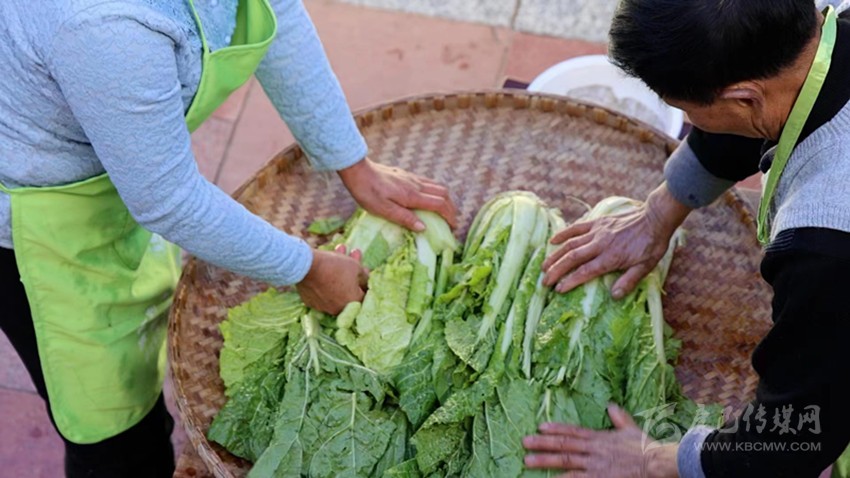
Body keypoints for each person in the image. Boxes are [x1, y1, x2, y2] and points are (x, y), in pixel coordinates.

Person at [0, 0, 456, 476]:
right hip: (45, 235)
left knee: (143, 360)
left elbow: (277, 13)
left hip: (122, 186)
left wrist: (352, 162)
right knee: (115, 434)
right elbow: (170, 201)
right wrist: (308, 269)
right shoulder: (101, 28)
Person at [522, 0, 850, 477]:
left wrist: (654, 459)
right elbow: (756, 106)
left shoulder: (823, 241)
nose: (690, 120)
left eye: (686, 110)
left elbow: (797, 437)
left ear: (744, 99)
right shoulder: (818, 32)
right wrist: (658, 213)